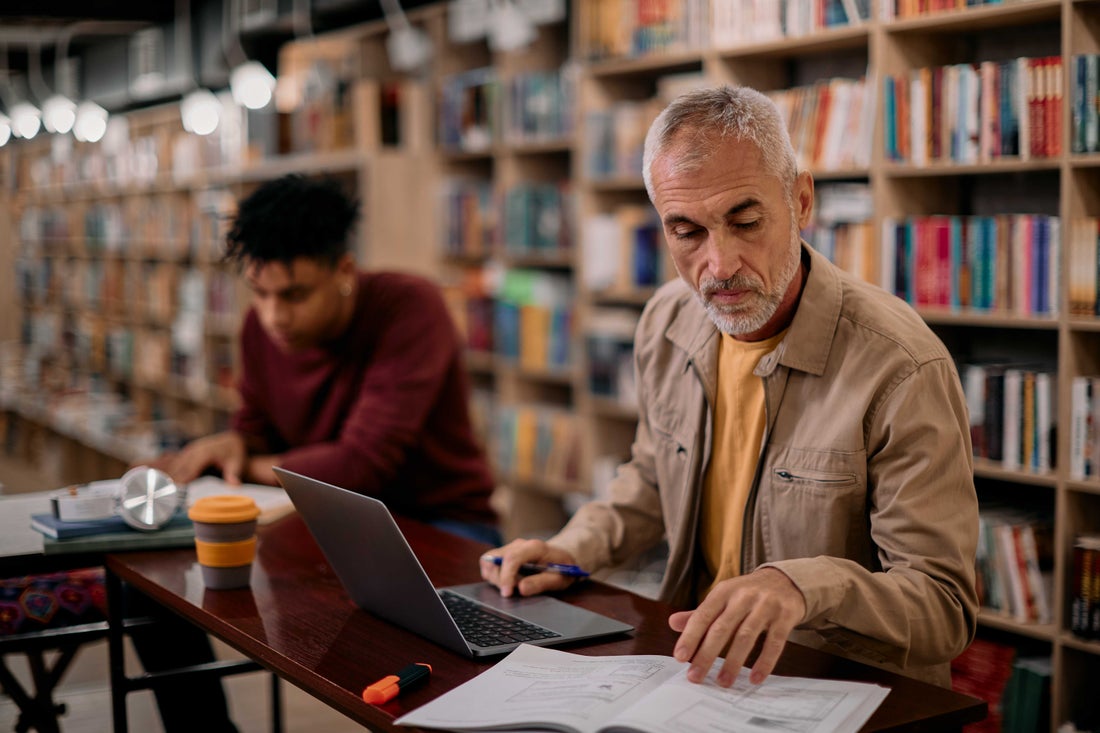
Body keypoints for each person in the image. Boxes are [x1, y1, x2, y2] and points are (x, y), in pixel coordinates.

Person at [481, 85, 979, 691]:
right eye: (686, 232)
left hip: (836, 690)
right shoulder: (667, 319)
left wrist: (802, 586)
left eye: (745, 221)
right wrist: (570, 549)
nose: (719, 265)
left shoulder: (901, 366)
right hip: (694, 671)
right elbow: (650, 478)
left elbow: (943, 607)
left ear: (800, 200)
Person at [133, 174, 498, 733]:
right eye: (260, 293)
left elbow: (361, 465)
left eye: (295, 295)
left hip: (440, 524)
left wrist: (253, 463)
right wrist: (235, 441)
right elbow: (256, 424)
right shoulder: (262, 327)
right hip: (320, 522)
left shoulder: (410, 307)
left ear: (344, 272)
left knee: (426, 670)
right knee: (154, 585)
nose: (274, 315)